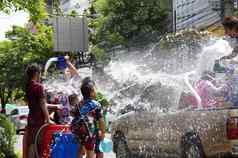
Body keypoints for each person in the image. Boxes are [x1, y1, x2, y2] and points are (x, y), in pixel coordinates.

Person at [71, 78, 106, 158]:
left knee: (80, 149)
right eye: (94, 90)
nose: (96, 91)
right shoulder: (95, 104)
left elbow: (72, 113)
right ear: (91, 93)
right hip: (88, 131)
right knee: (90, 152)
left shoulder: (80, 103)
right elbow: (101, 120)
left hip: (77, 130)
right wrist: (103, 132)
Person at [23, 64, 51, 158]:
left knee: (32, 144)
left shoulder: (28, 86)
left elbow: (28, 102)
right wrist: (48, 119)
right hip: (38, 120)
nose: (40, 75)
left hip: (31, 118)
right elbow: (42, 103)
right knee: (37, 144)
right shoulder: (38, 86)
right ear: (36, 73)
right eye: (40, 73)